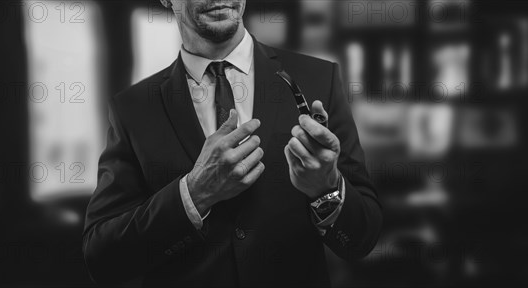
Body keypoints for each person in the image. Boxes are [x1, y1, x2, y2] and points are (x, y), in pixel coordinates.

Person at [83, 0, 382, 286]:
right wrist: (193, 194)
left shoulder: (319, 79)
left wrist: (327, 188)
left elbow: (362, 239)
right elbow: (102, 259)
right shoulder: (132, 110)